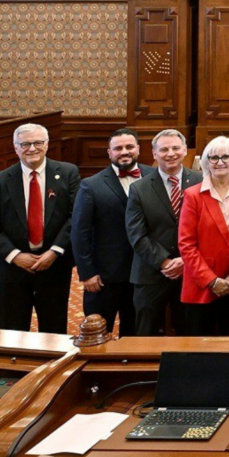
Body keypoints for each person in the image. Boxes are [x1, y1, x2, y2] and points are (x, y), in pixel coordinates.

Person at [0, 124, 80, 334]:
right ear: (15, 147)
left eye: (38, 142)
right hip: (11, 269)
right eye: (25, 144)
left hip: (54, 266)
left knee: (53, 331)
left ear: (47, 144)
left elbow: (75, 217)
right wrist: (15, 256)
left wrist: (54, 251)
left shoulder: (68, 173)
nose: (32, 148)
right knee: (10, 333)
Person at [72, 128, 153, 336]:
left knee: (136, 335)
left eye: (129, 147)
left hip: (144, 272)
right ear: (109, 153)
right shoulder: (91, 185)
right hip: (104, 277)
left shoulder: (154, 176)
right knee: (98, 334)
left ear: (138, 149)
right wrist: (87, 273)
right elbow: (80, 233)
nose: (124, 151)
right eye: (118, 148)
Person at [178, 136, 229, 336]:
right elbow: (186, 244)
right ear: (206, 162)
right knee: (199, 347)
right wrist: (212, 281)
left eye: (226, 157)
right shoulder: (193, 195)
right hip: (201, 285)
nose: (220, 162)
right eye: (213, 158)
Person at [126, 129, 202, 336]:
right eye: (164, 149)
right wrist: (165, 262)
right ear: (154, 153)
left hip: (191, 271)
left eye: (176, 148)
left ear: (185, 150)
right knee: (145, 333)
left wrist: (185, 261)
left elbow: (207, 229)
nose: (171, 154)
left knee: (191, 333)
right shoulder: (139, 188)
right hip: (151, 272)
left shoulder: (201, 181)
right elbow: (136, 234)